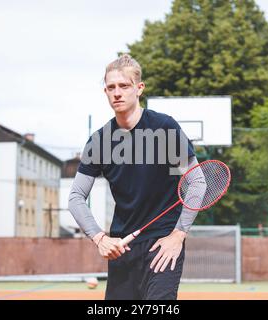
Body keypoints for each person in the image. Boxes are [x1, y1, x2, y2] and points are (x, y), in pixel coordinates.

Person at [68, 54, 199, 300]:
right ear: (105, 92)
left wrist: (179, 234)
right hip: (122, 248)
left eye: (124, 86)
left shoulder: (164, 128)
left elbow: (197, 182)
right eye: (111, 87)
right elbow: (76, 197)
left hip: (163, 245)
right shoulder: (99, 141)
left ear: (139, 89)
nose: (117, 93)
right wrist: (99, 238)